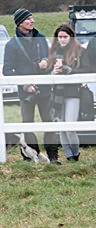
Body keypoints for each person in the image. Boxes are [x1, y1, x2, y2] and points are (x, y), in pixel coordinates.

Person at [2, 8, 60, 164]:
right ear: (20, 23)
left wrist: (46, 63)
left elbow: (51, 60)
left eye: (32, 18)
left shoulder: (41, 38)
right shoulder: (12, 45)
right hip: (26, 92)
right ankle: (32, 155)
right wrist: (25, 85)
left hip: (45, 89)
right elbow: (6, 70)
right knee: (27, 123)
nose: (32, 21)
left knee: (49, 122)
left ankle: (53, 157)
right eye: (28, 19)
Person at [47, 24, 85, 162]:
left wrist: (67, 70)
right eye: (60, 37)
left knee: (70, 127)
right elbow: (47, 71)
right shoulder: (52, 51)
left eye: (65, 37)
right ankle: (69, 156)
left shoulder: (79, 51)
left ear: (71, 37)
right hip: (57, 94)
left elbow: (85, 70)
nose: (62, 40)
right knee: (61, 127)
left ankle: (75, 154)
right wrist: (53, 72)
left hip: (73, 93)